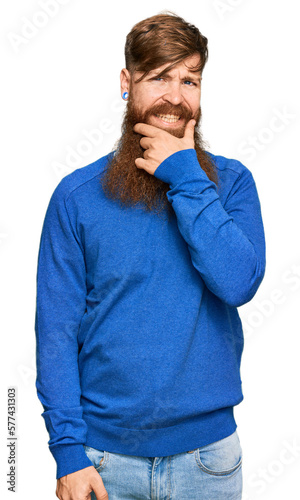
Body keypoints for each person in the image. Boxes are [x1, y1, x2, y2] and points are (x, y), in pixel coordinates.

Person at [35, 12, 266, 500]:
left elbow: (239, 283)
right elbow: (55, 334)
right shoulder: (76, 197)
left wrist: (185, 175)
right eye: (158, 77)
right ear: (127, 82)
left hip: (208, 463)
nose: (176, 96)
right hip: (102, 462)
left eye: (189, 79)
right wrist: (68, 453)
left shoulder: (232, 184)